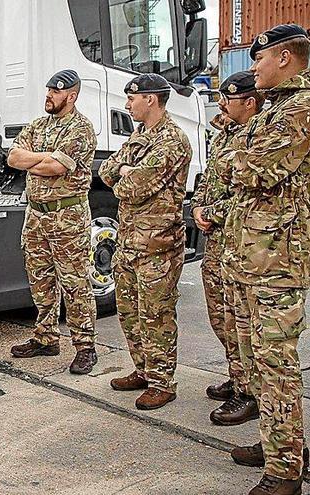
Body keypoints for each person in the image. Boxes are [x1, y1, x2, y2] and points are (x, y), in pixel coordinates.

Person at [220, 24, 310, 495]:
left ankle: (286, 471)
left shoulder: (305, 106)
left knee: (275, 362)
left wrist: (234, 153)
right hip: (256, 249)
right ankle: (278, 444)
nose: (254, 69)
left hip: (279, 253)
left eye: (259, 60)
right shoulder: (280, 106)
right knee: (257, 358)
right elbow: (242, 160)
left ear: (284, 58)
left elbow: (253, 167)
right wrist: (238, 152)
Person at [99, 74, 192, 410]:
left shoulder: (173, 141)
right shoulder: (139, 136)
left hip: (158, 245)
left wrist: (126, 173)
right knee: (128, 312)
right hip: (129, 242)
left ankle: (163, 382)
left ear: (151, 99)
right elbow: (107, 171)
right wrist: (124, 170)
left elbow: (132, 186)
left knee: (156, 315)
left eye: (132, 99)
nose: (127, 105)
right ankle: (143, 369)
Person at [7, 69, 100, 375]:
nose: (48, 96)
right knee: (40, 279)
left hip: (68, 217)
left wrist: (38, 160)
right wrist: (42, 158)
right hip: (35, 215)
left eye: (55, 92)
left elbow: (54, 168)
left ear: (71, 96)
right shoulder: (38, 124)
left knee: (75, 283)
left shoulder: (82, 129)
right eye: (47, 90)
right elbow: (13, 158)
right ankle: (46, 337)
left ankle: (85, 347)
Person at [192, 71, 265, 426]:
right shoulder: (227, 134)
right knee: (221, 318)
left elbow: (246, 194)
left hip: (240, 241)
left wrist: (212, 212)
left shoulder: (259, 138)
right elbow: (210, 179)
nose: (221, 104)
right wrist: (198, 208)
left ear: (249, 102)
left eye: (228, 99)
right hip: (217, 242)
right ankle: (239, 376)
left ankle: (248, 393)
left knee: (241, 322)